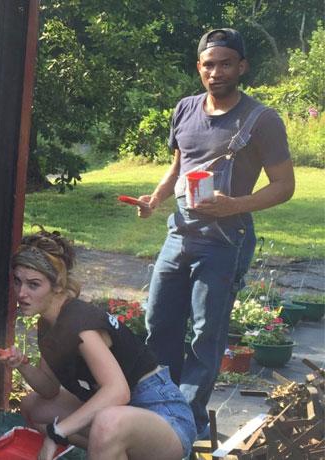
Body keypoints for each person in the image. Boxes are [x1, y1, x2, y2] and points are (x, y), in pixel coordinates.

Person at [134, 28, 295, 438]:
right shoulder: (185, 108)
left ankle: (185, 422)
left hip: (224, 243)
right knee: (159, 323)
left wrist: (233, 205)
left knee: (207, 335)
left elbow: (284, 186)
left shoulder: (262, 120)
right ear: (199, 67)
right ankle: (161, 407)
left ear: (242, 66)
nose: (216, 71)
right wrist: (154, 201)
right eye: (209, 64)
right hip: (180, 235)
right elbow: (178, 167)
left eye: (226, 63)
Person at [0, 230, 196, 460]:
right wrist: (21, 364)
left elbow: (117, 391)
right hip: (122, 416)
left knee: (107, 421)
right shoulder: (49, 324)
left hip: (164, 416)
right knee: (35, 407)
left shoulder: (79, 322)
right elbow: (50, 389)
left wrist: (58, 432)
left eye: (34, 285)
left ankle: (111, 447)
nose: (22, 293)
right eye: (18, 282)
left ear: (57, 285)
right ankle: (114, 451)